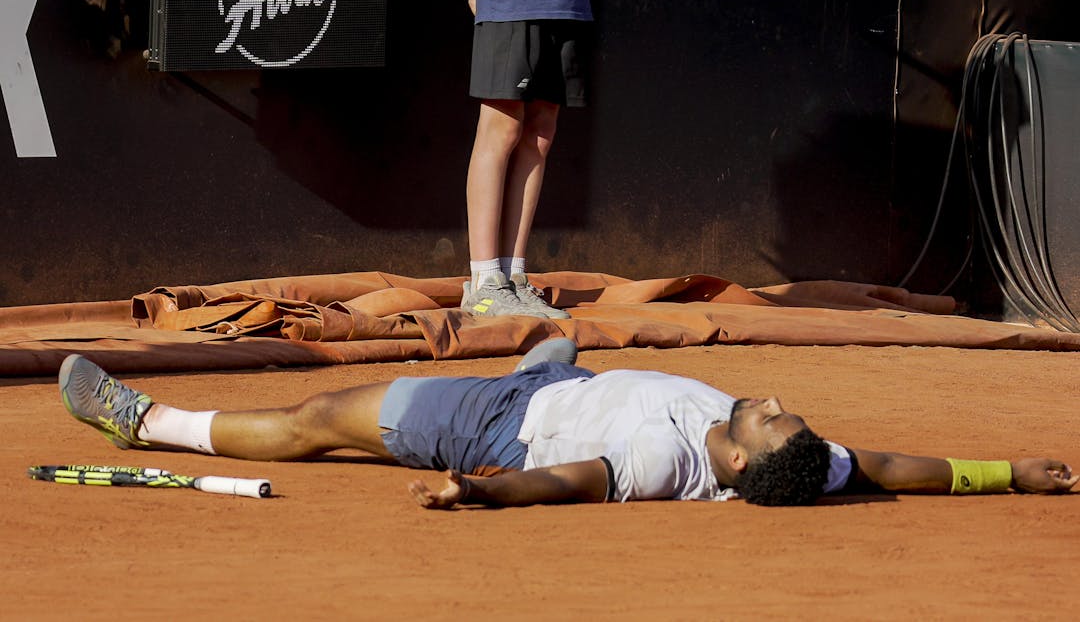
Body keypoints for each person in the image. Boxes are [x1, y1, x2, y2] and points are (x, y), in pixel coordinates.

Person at [58, 339, 1078, 509]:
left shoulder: (655, 454)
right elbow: (891, 466)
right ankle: (547, 357)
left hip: (500, 427)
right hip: (570, 384)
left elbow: (572, 484)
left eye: (770, 418)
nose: (773, 403)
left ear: (735, 457)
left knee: (320, 417)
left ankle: (145, 421)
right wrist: (1002, 473)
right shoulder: (802, 460)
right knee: (560, 340)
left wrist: (485, 490)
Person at [459, 0, 593, 319]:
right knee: (501, 127)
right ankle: (485, 284)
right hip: (511, 1)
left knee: (541, 132)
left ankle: (513, 277)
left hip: (567, 4)